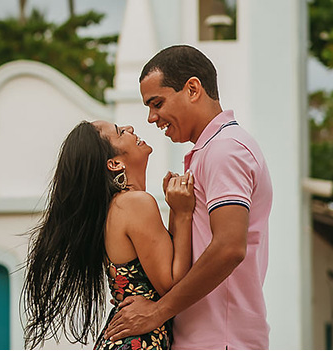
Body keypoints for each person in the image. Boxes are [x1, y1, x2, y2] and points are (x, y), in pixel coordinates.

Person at [104, 45, 272, 349]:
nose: (152, 118)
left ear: (192, 89)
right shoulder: (209, 152)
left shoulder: (226, 150)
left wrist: (156, 312)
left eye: (157, 103)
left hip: (221, 339)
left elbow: (229, 247)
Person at [22, 119, 196, 350]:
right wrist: (183, 213)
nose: (131, 129)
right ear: (114, 163)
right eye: (120, 132)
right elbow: (171, 285)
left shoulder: (114, 208)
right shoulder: (135, 203)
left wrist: (175, 209)